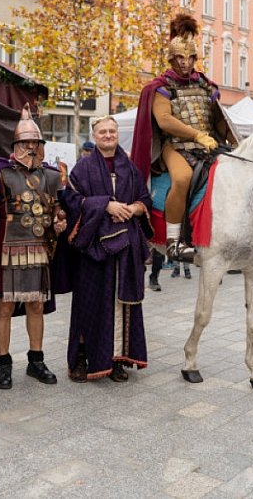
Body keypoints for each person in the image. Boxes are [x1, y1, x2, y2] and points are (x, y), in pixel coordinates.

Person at [0, 105, 66, 389]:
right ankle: (3, 365)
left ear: (41, 145)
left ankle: (36, 361)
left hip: (39, 247)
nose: (30, 147)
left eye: (34, 143)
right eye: (25, 142)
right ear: (15, 145)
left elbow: (58, 211)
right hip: (6, 247)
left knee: (36, 305)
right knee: (3, 306)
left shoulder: (52, 175)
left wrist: (59, 223)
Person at [130, 13, 230, 263]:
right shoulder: (163, 86)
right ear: (172, 58)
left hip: (207, 146)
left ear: (196, 58)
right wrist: (197, 134)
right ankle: (174, 241)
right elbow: (164, 120)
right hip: (173, 146)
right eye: (180, 58)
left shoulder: (206, 86)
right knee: (183, 178)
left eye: (190, 58)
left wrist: (238, 145)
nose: (185, 63)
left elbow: (219, 121)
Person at [64, 115, 153, 382]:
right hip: (94, 249)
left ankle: (116, 359)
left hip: (125, 248)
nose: (107, 135)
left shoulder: (130, 168)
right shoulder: (82, 168)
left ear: (117, 134)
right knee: (88, 302)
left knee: (119, 303)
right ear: (94, 135)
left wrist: (133, 209)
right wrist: (105, 205)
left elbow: (144, 199)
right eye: (102, 131)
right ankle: (81, 359)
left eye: (111, 131)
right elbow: (72, 199)